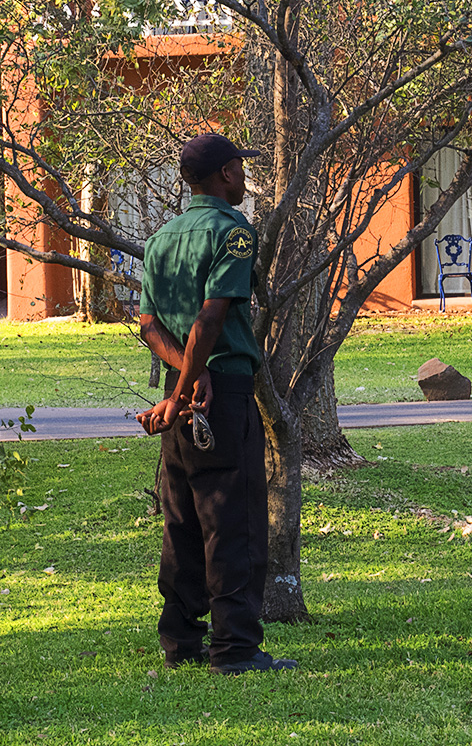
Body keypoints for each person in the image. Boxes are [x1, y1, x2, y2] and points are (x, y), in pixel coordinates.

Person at [136, 133, 297, 676]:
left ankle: (181, 642)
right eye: (240, 167)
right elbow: (211, 318)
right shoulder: (232, 233)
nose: (244, 178)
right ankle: (235, 650)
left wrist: (180, 384)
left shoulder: (160, 239)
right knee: (234, 522)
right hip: (220, 393)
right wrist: (195, 379)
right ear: (226, 174)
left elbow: (149, 324)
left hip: (185, 393)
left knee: (182, 519)